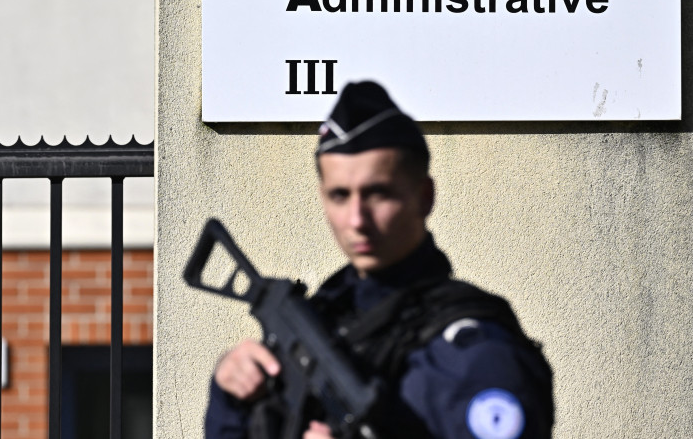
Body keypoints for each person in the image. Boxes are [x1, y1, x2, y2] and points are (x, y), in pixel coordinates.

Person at [204, 82, 554, 439]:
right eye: (340, 196)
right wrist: (231, 396)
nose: (357, 219)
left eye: (378, 194)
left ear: (424, 197)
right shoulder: (323, 320)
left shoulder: (475, 355)